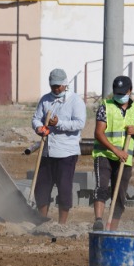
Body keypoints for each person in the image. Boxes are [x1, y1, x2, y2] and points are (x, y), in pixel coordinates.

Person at [92, 75, 134, 231]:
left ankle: (112, 229)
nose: (119, 96)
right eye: (117, 93)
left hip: (124, 159)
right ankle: (98, 221)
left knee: (120, 195)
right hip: (104, 155)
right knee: (101, 187)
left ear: (130, 91)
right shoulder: (106, 106)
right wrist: (116, 150)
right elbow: (99, 133)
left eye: (123, 93)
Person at [31, 68, 87, 224]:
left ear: (65, 84)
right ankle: (42, 220)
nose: (55, 89)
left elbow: (79, 123)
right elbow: (36, 118)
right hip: (47, 151)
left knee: (64, 189)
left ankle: (62, 223)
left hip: (66, 153)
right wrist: (38, 128)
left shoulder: (75, 101)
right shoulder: (45, 100)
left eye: (58, 86)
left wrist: (59, 123)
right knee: (42, 187)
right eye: (53, 86)